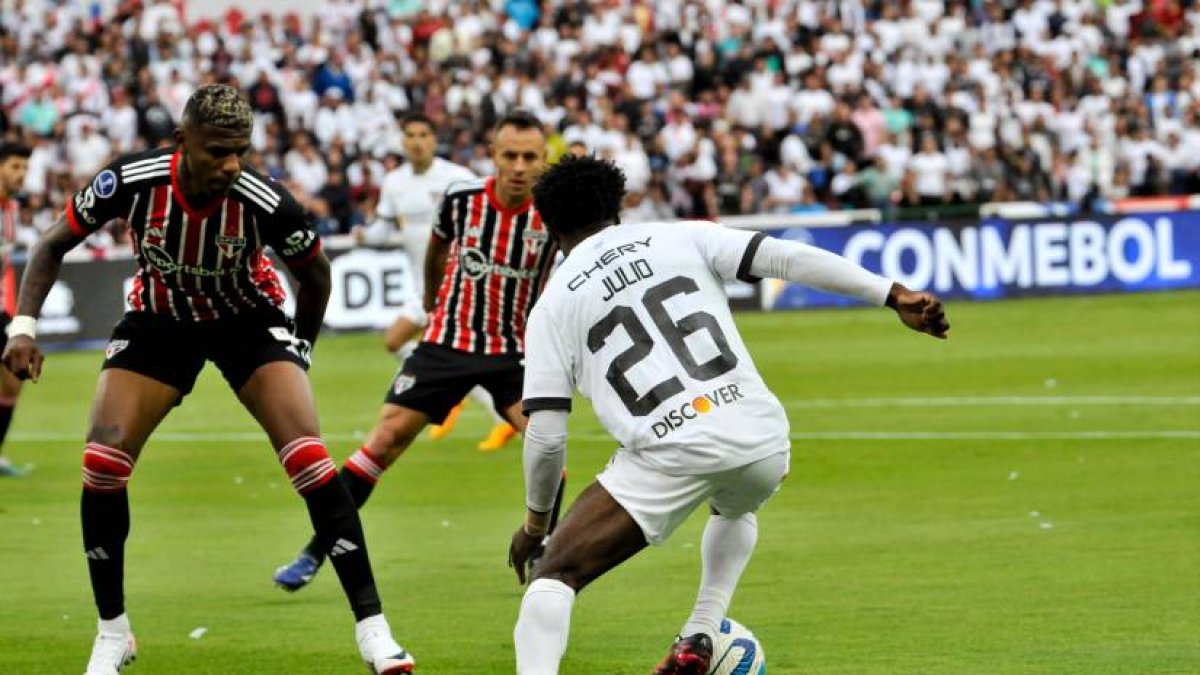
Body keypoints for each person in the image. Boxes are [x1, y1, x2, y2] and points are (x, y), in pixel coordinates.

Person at [1, 85, 415, 675]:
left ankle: (375, 632)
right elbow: (51, 245)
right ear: (181, 143)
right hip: (161, 321)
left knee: (309, 460)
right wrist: (23, 327)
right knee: (102, 461)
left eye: (240, 151)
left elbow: (316, 274)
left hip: (248, 319)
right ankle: (112, 632)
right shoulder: (132, 180)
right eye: (217, 151)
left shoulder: (263, 199)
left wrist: (299, 348)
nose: (230, 165)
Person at [507, 156, 950, 674]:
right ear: (618, 204)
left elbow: (547, 435)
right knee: (736, 507)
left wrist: (536, 525)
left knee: (554, 575)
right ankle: (699, 632)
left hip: (669, 451)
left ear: (546, 224)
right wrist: (891, 294)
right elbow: (786, 257)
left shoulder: (551, 306)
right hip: (762, 438)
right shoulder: (682, 236)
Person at [273, 109, 558, 592]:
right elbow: (435, 250)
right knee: (381, 443)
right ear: (492, 155)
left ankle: (545, 555)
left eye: (530, 157)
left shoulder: (554, 214)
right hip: (446, 343)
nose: (518, 166)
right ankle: (315, 551)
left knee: (549, 449)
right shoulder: (462, 199)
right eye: (509, 154)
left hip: (513, 352)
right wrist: (431, 302)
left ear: (543, 160)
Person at [362, 112, 518, 451]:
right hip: (424, 286)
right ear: (402, 141)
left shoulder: (457, 178)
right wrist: (363, 234)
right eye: (411, 135)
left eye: (423, 134)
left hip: (458, 286)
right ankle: (463, 401)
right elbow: (382, 228)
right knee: (396, 342)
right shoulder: (394, 182)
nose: (417, 141)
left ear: (434, 140)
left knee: (418, 344)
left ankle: (458, 400)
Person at [0, 142, 31, 477]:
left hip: (2, 310)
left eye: (24, 168)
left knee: (13, 380)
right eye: (14, 167)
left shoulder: (9, 209)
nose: (21, 174)